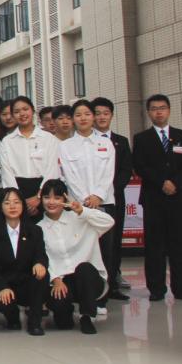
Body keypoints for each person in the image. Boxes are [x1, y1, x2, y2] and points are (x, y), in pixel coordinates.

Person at [132, 94, 182, 302]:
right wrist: (162, 182)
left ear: (169, 110)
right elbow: (140, 166)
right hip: (153, 197)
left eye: (162, 108)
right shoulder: (141, 138)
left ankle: (181, 288)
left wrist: (175, 183)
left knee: (180, 244)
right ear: (148, 112)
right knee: (155, 245)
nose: (158, 112)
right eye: (154, 108)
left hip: (178, 197)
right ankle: (156, 288)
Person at [57, 100, 117, 313]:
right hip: (78, 207)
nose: (83, 118)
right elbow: (68, 175)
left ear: (93, 117)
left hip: (103, 204)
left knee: (105, 252)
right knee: (82, 251)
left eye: (87, 114)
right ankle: (84, 297)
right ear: (73, 119)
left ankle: (101, 298)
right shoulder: (65, 146)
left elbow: (109, 172)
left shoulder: (106, 143)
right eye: (78, 115)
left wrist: (98, 196)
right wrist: (85, 199)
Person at [38, 180, 113, 334]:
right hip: (61, 282)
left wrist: (82, 211)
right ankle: (66, 311)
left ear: (65, 199)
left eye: (57, 198)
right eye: (46, 197)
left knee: (84, 268)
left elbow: (109, 221)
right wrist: (55, 278)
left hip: (89, 280)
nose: (51, 202)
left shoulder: (80, 218)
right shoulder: (38, 228)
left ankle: (87, 316)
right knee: (63, 323)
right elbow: (42, 258)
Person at [0, 187, 48, 335]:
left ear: (22, 205)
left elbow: (41, 254)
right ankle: (12, 318)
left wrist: (40, 263)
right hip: (6, 284)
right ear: (0, 207)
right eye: (7, 203)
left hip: (28, 284)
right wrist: (2, 286)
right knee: (3, 298)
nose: (12, 206)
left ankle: (35, 322)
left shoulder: (35, 230)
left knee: (41, 276)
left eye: (16, 202)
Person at [92, 97, 132, 299]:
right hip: (89, 201)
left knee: (114, 242)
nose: (101, 117)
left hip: (114, 199)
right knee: (93, 243)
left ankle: (113, 285)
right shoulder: (86, 141)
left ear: (112, 115)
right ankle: (94, 287)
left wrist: (109, 190)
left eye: (105, 113)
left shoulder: (121, 141)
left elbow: (125, 170)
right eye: (97, 113)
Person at [0, 97, 60, 219]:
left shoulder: (48, 138)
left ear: (33, 110)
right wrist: (18, 200)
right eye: (17, 111)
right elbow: (7, 173)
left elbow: (52, 169)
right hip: (17, 191)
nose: (22, 114)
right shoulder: (7, 141)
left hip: (44, 191)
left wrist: (39, 197)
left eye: (25, 109)